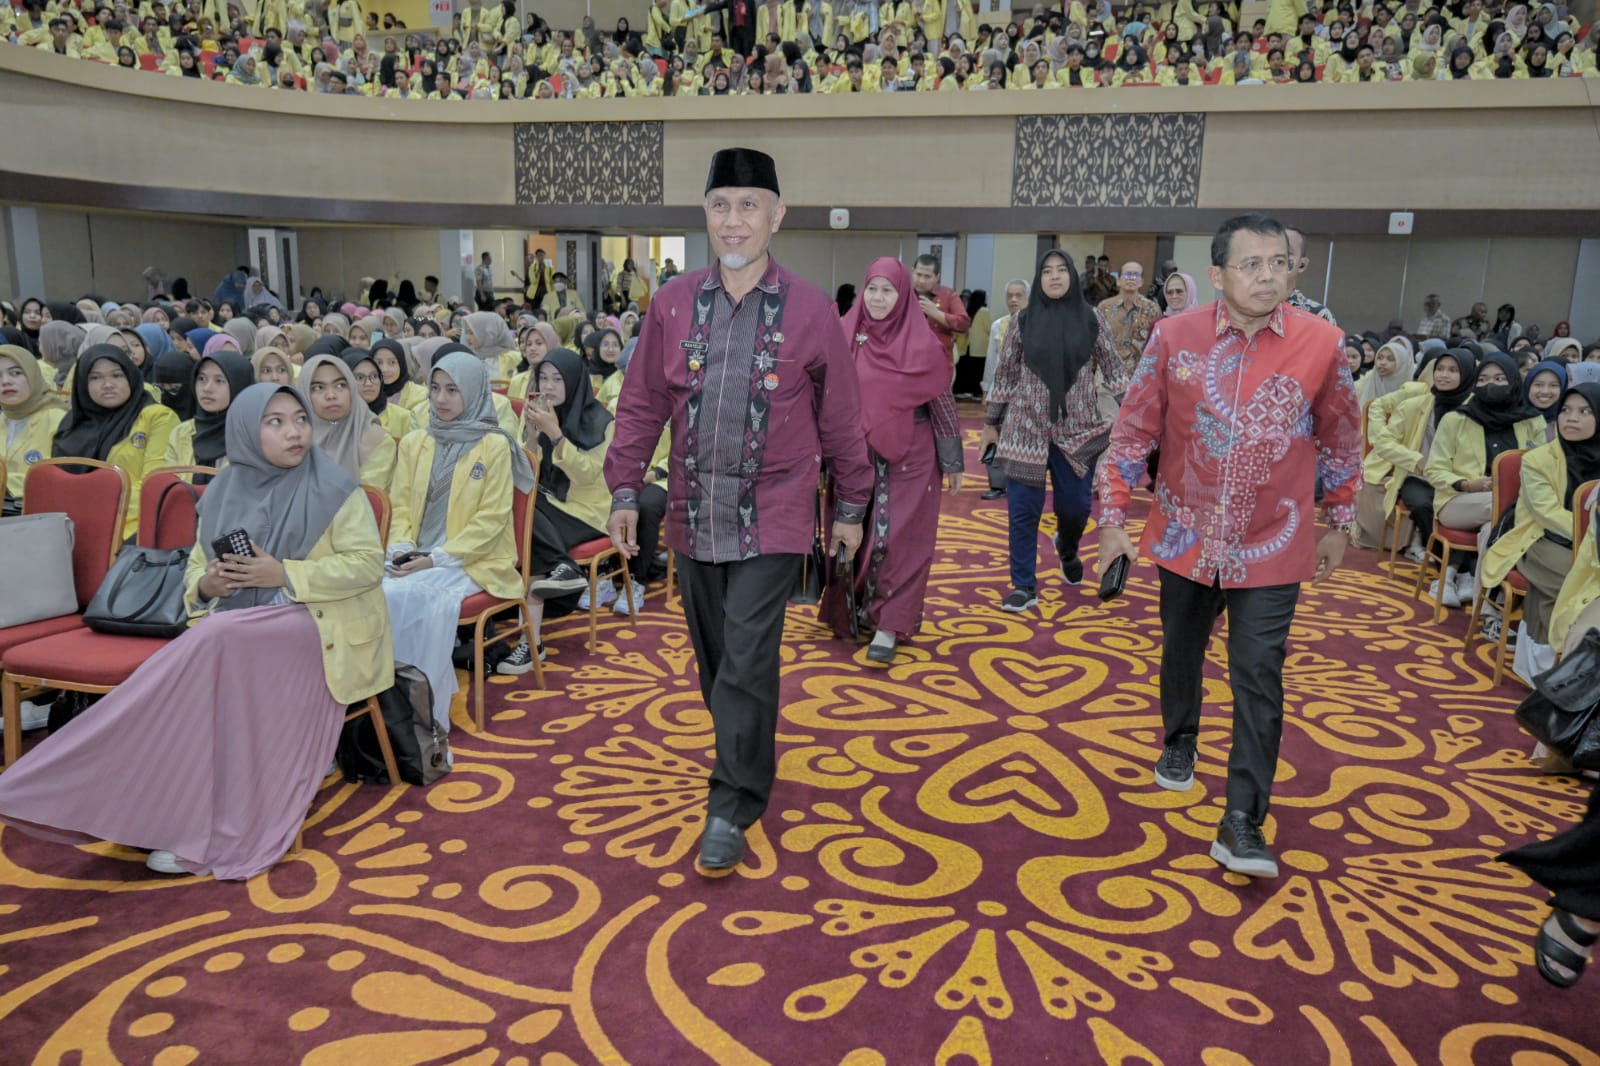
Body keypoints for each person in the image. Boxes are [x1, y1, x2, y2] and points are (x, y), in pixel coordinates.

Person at [604, 147, 872, 873]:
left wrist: (851, 506)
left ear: (776, 216)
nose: (733, 220)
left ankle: (732, 803)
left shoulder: (812, 310)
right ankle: (747, 753)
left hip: (775, 510)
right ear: (705, 214)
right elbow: (641, 405)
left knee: (747, 658)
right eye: (721, 205)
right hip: (693, 512)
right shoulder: (671, 303)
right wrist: (625, 489)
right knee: (719, 662)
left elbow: (842, 418)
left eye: (749, 205)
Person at [0, 384, 391, 879]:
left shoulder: (335, 488)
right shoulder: (225, 490)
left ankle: (201, 822)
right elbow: (197, 570)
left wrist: (285, 573)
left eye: (299, 419)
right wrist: (207, 586)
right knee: (218, 642)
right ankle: (163, 811)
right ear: (245, 432)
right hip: (238, 628)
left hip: (317, 624)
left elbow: (367, 566)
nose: (293, 432)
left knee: (214, 644)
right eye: (274, 422)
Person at [1097, 213, 1362, 880]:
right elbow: (1134, 430)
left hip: (1271, 544)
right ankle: (1180, 738)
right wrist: (1112, 517)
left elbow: (1341, 436)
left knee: (1258, 674)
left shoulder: (1322, 343)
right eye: (1251, 264)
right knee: (1181, 651)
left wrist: (1341, 520)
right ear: (1216, 275)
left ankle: (1243, 818)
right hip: (1186, 534)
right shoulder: (1173, 336)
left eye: (1279, 263)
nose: (1268, 276)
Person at [822, 257, 964, 663]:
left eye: (888, 290)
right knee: (853, 532)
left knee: (899, 539)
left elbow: (941, 401)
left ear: (903, 295)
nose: (878, 298)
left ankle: (890, 623)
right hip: (853, 453)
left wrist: (952, 460)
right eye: (872, 289)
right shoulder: (844, 334)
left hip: (912, 456)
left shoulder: (924, 342)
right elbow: (823, 395)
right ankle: (856, 609)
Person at [385, 352, 535, 729]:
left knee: (412, 597)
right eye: (435, 388)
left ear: (473, 390)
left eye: (453, 390)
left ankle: (424, 712)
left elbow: (491, 520)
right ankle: (389, 706)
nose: (441, 399)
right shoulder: (415, 442)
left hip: (473, 559)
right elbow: (400, 506)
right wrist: (401, 548)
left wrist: (435, 558)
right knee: (372, 591)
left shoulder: (493, 445)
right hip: (415, 555)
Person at [982, 249, 1126, 612]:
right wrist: (991, 424)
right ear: (1039, 279)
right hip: (1025, 429)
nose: (1055, 276)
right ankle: (1023, 585)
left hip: (1077, 431)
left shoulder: (1092, 319)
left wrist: (1135, 415)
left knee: (1075, 508)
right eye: (1047, 271)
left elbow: (1114, 368)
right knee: (1022, 512)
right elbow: (1005, 374)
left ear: (1072, 276)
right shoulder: (1022, 321)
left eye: (1062, 270)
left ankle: (1068, 547)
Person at [496, 348, 618, 673]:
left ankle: (531, 642)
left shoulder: (603, 423)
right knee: (523, 510)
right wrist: (532, 437)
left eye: (557, 379)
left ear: (575, 381)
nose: (548, 386)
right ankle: (559, 574)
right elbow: (525, 473)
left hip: (589, 512)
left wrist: (556, 434)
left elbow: (588, 475)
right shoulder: (536, 412)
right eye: (543, 378)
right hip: (549, 506)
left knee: (527, 523)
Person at [1480, 381, 1600, 668]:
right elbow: (1547, 514)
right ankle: (1566, 666)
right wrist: (1591, 535)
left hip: (1591, 545)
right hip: (1541, 539)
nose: (1571, 418)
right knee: (1579, 584)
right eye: (1566, 410)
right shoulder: (1538, 460)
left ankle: (1548, 663)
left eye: (1584, 411)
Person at [1423, 351, 1546, 608]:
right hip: (1458, 500)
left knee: (1493, 528)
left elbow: (1543, 467)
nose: (1491, 385)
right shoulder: (1456, 419)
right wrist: (1468, 484)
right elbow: (1434, 469)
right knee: (1505, 509)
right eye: (1484, 379)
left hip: (1510, 506)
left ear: (1513, 381)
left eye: (1500, 379)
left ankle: (1484, 603)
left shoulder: (1531, 420)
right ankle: (1471, 584)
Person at [52, 344, 180, 541]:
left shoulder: (157, 417)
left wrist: (95, 505)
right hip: (71, 528)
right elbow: (56, 485)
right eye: (95, 378)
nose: (107, 384)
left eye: (117, 375)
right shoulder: (71, 424)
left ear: (130, 376)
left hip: (131, 530)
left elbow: (155, 485)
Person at [1374, 348, 1476, 580]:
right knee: (1422, 505)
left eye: (1453, 370)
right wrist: (1416, 459)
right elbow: (1383, 442)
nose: (1444, 375)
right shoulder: (1415, 405)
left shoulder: (1476, 410)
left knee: (1463, 510)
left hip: (1458, 481)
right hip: (1419, 477)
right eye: (1440, 369)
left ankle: (1460, 569)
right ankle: (1449, 568)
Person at [297, 353, 397, 491]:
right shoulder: (293, 439)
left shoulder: (376, 440)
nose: (331, 395)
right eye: (318, 388)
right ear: (304, 394)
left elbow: (368, 498)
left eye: (340, 385)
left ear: (352, 389)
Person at [163, 350, 254, 481]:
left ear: (239, 385)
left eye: (219, 380)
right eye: (202, 379)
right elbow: (169, 485)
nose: (207, 388)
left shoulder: (252, 437)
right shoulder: (181, 433)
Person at [1, 344, 68, 511]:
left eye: (16, 373)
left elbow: (61, 479)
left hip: (42, 514)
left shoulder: (59, 420)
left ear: (33, 375)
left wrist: (5, 481)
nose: (5, 381)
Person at [1097, 260, 1162, 375]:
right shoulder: (1104, 307)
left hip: (1139, 375)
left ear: (1141, 282)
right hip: (1108, 374)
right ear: (1118, 281)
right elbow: (1096, 341)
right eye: (1127, 274)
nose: (1131, 278)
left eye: (1136, 275)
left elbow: (1157, 345)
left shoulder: (1152, 309)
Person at [344, 347, 417, 441]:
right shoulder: (337, 418)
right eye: (360, 378)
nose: (369, 383)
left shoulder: (403, 417)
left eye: (374, 376)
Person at [909, 254, 971, 363]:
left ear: (937, 277)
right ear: (912, 272)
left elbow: (964, 324)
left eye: (927, 276)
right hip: (909, 359)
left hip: (939, 360)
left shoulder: (948, 295)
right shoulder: (904, 294)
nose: (921, 281)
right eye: (918, 275)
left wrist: (936, 314)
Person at [1284, 226, 1337, 325]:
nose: (1277, 259)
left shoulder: (1318, 315)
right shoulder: (1253, 307)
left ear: (1302, 265)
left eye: (1287, 252)